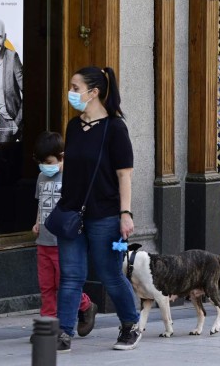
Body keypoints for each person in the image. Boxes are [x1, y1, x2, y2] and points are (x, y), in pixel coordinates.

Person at [56, 66, 139, 352]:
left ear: (94, 93)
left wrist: (125, 214)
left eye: (75, 88)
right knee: (70, 276)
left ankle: (130, 324)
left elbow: (124, 175)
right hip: (71, 213)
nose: (71, 93)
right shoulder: (73, 126)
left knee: (109, 275)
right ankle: (64, 332)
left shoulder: (115, 128)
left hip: (104, 214)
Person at [31, 131, 97, 342]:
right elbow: (41, 203)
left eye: (49, 162)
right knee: (46, 286)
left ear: (62, 157)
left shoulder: (72, 177)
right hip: (43, 242)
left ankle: (85, 305)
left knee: (65, 285)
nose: (45, 166)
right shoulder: (41, 177)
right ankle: (48, 325)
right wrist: (37, 221)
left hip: (63, 242)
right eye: (41, 162)